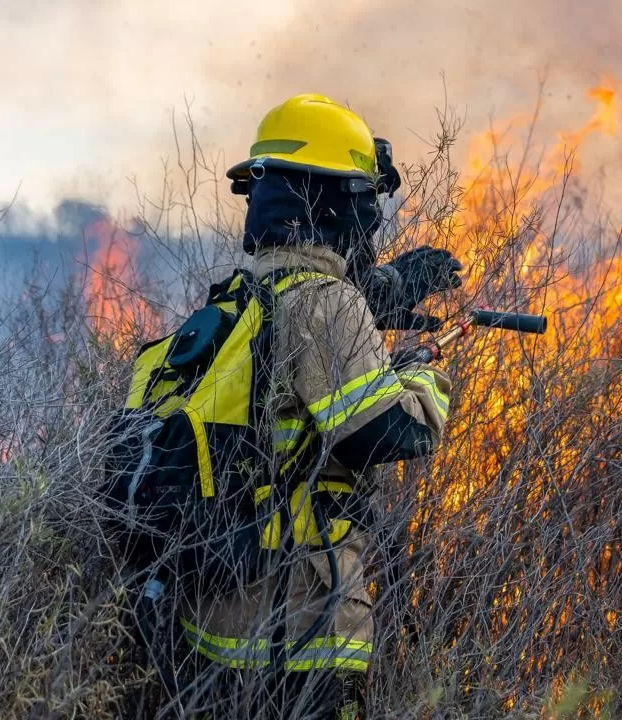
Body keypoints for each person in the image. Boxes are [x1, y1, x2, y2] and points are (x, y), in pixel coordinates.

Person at [175, 93, 462, 719]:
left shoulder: (238, 297)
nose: (373, 221)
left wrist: (373, 295)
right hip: (301, 626)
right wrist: (427, 377)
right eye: (366, 200)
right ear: (338, 202)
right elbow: (386, 435)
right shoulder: (325, 303)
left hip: (213, 626)